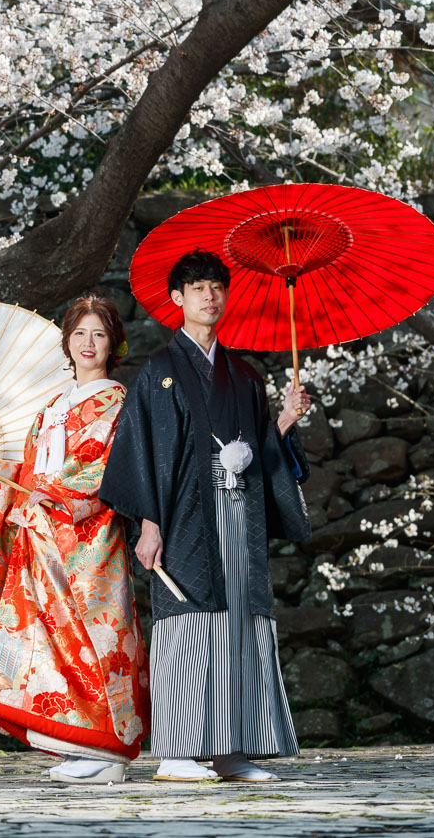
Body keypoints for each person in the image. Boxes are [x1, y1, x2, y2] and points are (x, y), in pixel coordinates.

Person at [99, 248, 312, 783]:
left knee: (239, 622)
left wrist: (284, 422)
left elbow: (260, 451)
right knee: (187, 623)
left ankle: (231, 751)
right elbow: (143, 451)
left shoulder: (245, 375)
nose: (209, 296)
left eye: (217, 287)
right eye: (197, 288)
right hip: (183, 516)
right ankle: (178, 750)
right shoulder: (160, 370)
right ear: (178, 298)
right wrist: (149, 523)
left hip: (239, 513)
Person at [0, 295, 150, 784]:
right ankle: (75, 742)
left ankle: (108, 750)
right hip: (41, 534)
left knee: (96, 638)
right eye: (79, 333)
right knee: (45, 641)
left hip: (87, 539)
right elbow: (32, 470)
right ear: (67, 341)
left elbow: (107, 469)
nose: (88, 343)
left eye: (99, 334)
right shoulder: (53, 405)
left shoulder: (117, 402)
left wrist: (56, 493)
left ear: (114, 344)